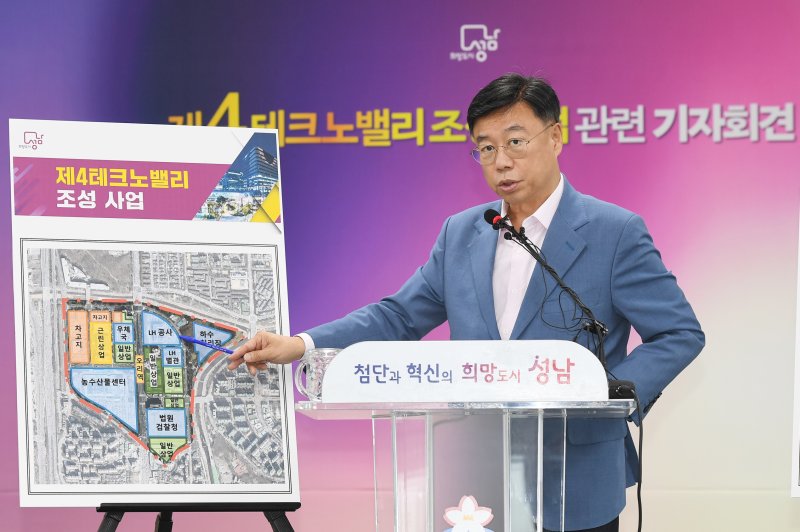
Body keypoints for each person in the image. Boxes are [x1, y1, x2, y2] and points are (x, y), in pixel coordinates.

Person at [228, 73, 704, 531]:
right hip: (477, 481)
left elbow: (679, 332)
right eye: (486, 148)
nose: (501, 161)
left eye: (515, 141)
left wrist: (611, 393)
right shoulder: (461, 233)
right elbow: (399, 316)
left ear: (556, 137)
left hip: (576, 474)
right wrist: (301, 344)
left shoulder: (614, 232)